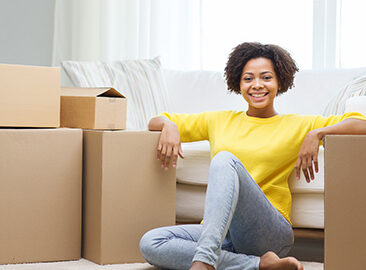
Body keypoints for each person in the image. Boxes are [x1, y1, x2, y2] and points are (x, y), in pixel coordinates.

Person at [139, 42, 366, 270]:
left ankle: (204, 262)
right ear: (238, 82)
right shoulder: (218, 120)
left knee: (224, 159)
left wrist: (318, 133)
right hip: (222, 234)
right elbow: (155, 120)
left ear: (279, 82)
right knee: (151, 242)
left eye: (266, 77)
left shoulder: (298, 124)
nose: (257, 85)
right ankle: (257, 265)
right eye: (248, 78)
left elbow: (360, 122)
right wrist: (169, 125)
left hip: (269, 233)